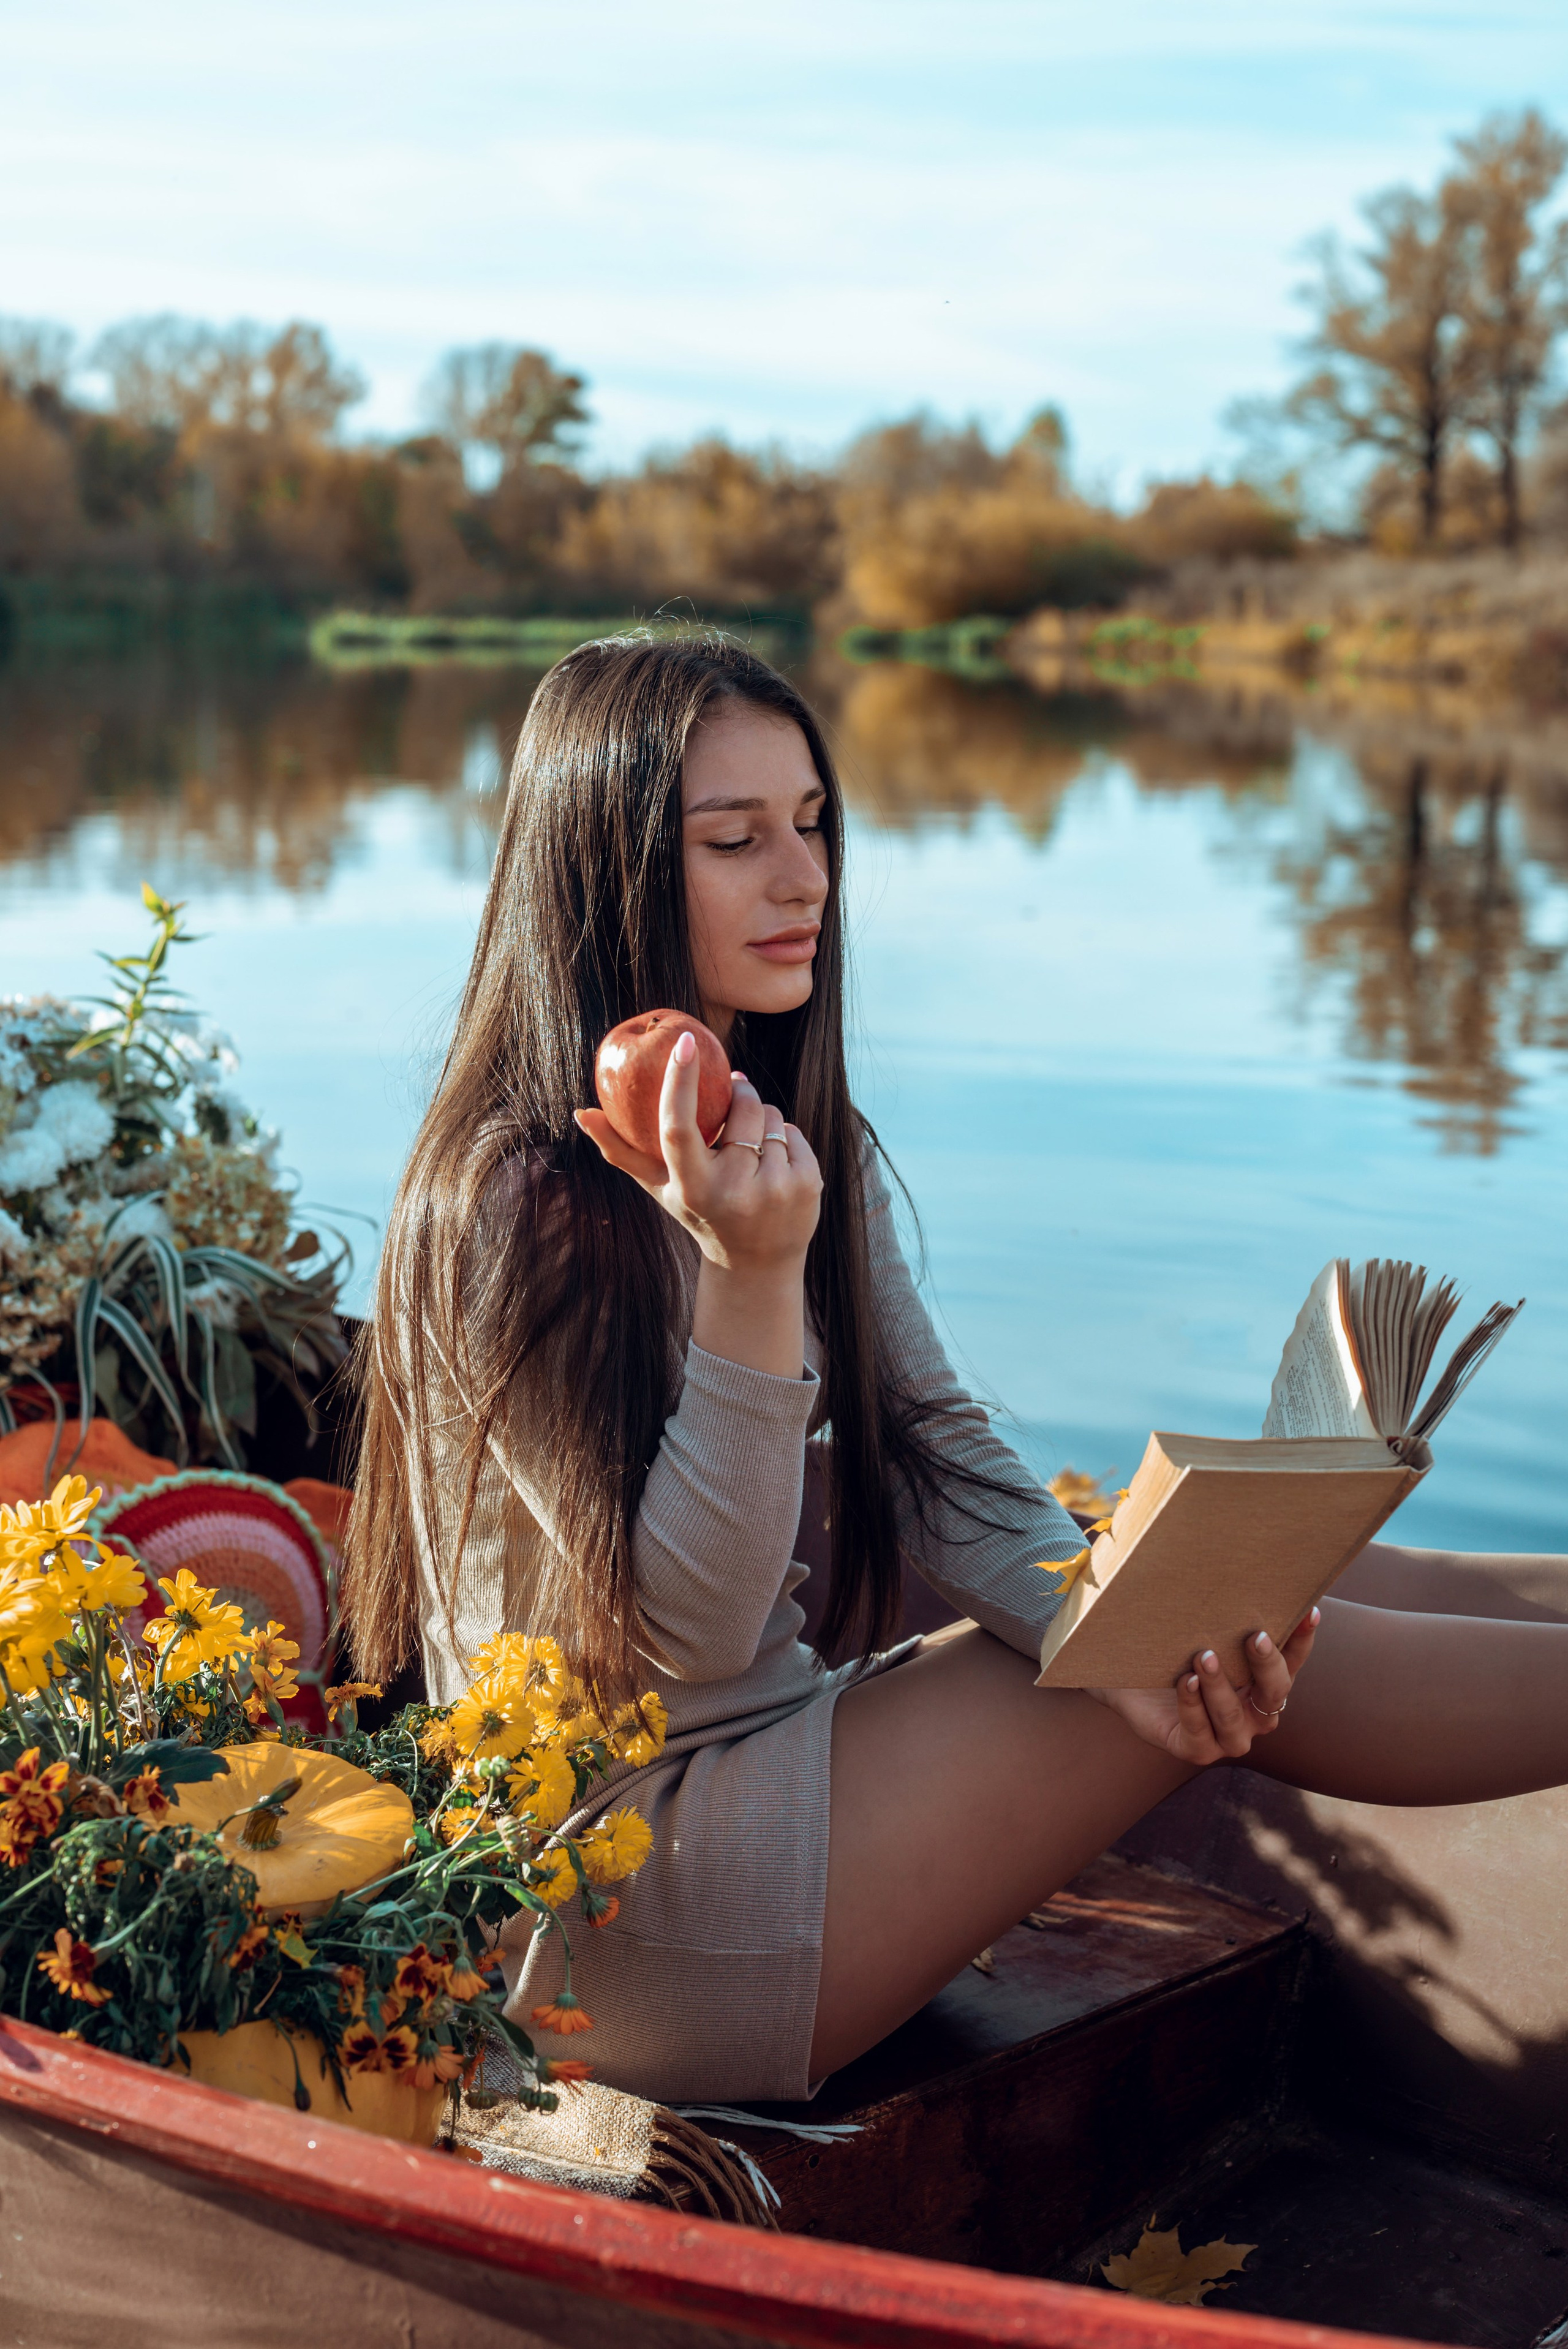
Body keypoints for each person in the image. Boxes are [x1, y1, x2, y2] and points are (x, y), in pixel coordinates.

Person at [343, 633, 1568, 2107]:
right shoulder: (505, 1203)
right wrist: (747, 1280)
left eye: (812, 826)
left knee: (1240, 1596)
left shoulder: (786, 1132)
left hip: (776, 1769)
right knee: (1220, 1629)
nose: (801, 880)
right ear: (600, 869)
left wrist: (1096, 1622)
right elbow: (692, 1628)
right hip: (612, 1907)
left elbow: (932, 1455)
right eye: (734, 840)